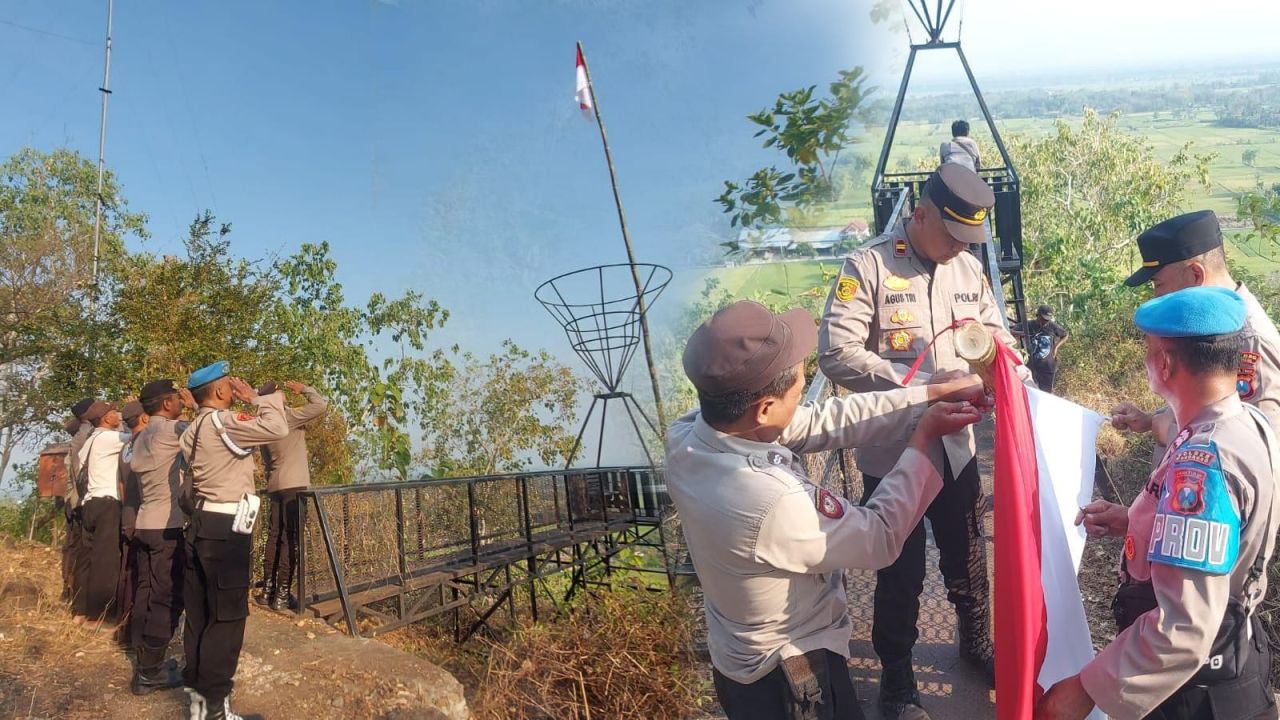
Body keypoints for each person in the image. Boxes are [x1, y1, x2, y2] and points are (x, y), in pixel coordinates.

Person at [668, 300, 990, 720]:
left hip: (738, 660)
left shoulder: (689, 436)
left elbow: (825, 420)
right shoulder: (771, 500)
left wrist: (927, 395)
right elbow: (880, 537)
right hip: (793, 677)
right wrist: (923, 439)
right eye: (798, 390)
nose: (803, 399)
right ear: (765, 407)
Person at [818, 163, 1030, 718]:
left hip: (958, 452)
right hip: (894, 455)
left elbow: (997, 337)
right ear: (921, 215)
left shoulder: (967, 270)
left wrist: (1011, 374)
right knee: (899, 571)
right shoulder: (867, 267)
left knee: (967, 559)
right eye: (953, 233)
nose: (961, 245)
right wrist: (920, 388)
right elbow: (836, 353)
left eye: (970, 238)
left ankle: (976, 643)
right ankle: (897, 676)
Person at [1036, 286, 1280, 720]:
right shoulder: (1246, 421)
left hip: (1194, 690)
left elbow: (1182, 628)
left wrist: (1085, 688)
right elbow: (1224, 537)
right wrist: (1134, 522)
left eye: (1149, 351)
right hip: (1231, 655)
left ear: (1164, 363)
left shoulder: (1203, 464)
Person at [1113, 210, 1280, 449]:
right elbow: (1210, 409)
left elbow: (1254, 448)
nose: (1156, 296)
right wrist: (1151, 420)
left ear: (1195, 275)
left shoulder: (1249, 339)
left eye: (1158, 285)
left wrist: (1166, 431)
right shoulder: (1205, 326)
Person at [180, 361, 287, 720]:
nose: (234, 388)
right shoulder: (222, 423)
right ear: (222, 391)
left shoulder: (194, 428)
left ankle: (197, 702)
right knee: (227, 618)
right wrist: (258, 398)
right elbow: (278, 427)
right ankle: (215, 709)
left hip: (199, 523)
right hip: (226, 530)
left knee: (198, 615)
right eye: (230, 385)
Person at [129, 378, 195, 695]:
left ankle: (146, 660)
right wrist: (198, 406)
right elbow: (207, 434)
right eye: (177, 398)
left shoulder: (140, 437)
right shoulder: (170, 432)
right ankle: (149, 673)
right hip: (165, 526)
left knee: (147, 591)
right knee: (167, 598)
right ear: (167, 403)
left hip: (145, 522)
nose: (181, 402)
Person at [258, 380, 328, 611]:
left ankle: (268, 590)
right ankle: (283, 595)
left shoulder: (263, 425)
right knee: (291, 540)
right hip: (295, 486)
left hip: (275, 486)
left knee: (275, 536)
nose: (283, 394)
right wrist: (306, 389)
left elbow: (267, 462)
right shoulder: (287, 417)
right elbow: (320, 406)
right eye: (279, 392)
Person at [75, 400, 130, 628]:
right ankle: (99, 615)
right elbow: (139, 437)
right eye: (114, 412)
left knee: (86, 558)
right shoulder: (109, 438)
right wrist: (131, 415)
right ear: (106, 419)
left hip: (89, 503)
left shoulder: (89, 441)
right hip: (108, 503)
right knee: (106, 560)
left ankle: (79, 610)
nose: (117, 414)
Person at [116, 400, 148, 648]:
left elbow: (122, 486)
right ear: (145, 419)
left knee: (128, 572)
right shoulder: (147, 443)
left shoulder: (125, 446)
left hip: (128, 513)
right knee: (142, 577)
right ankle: (137, 636)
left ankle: (124, 631)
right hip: (143, 516)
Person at [63, 397, 94, 606]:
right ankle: (74, 593)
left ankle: (68, 590)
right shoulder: (86, 435)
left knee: (72, 548)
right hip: (80, 501)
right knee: (80, 549)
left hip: (72, 499)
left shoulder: (79, 435)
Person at [1012, 304, 1070, 393]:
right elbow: (1012, 331)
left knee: (1046, 393)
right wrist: (1022, 333)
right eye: (1043, 319)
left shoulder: (1052, 326)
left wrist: (1055, 348)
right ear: (1038, 315)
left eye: (1047, 320)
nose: (1045, 322)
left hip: (1047, 367)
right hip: (1031, 366)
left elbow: (1065, 335)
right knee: (1030, 391)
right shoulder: (1029, 324)